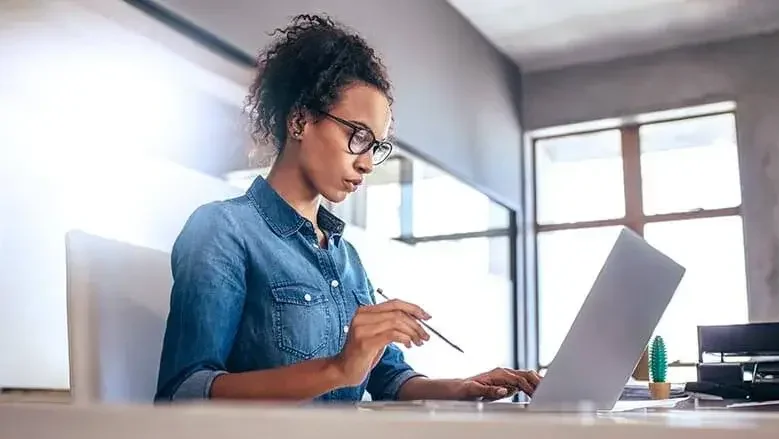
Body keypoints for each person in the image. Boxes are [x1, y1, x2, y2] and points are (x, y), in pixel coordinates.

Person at [155, 13, 541, 403]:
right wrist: (337, 369)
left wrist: (462, 387)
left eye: (376, 146)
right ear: (300, 120)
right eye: (358, 136)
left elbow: (389, 379)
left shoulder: (347, 258)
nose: (368, 163)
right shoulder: (223, 230)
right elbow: (183, 393)